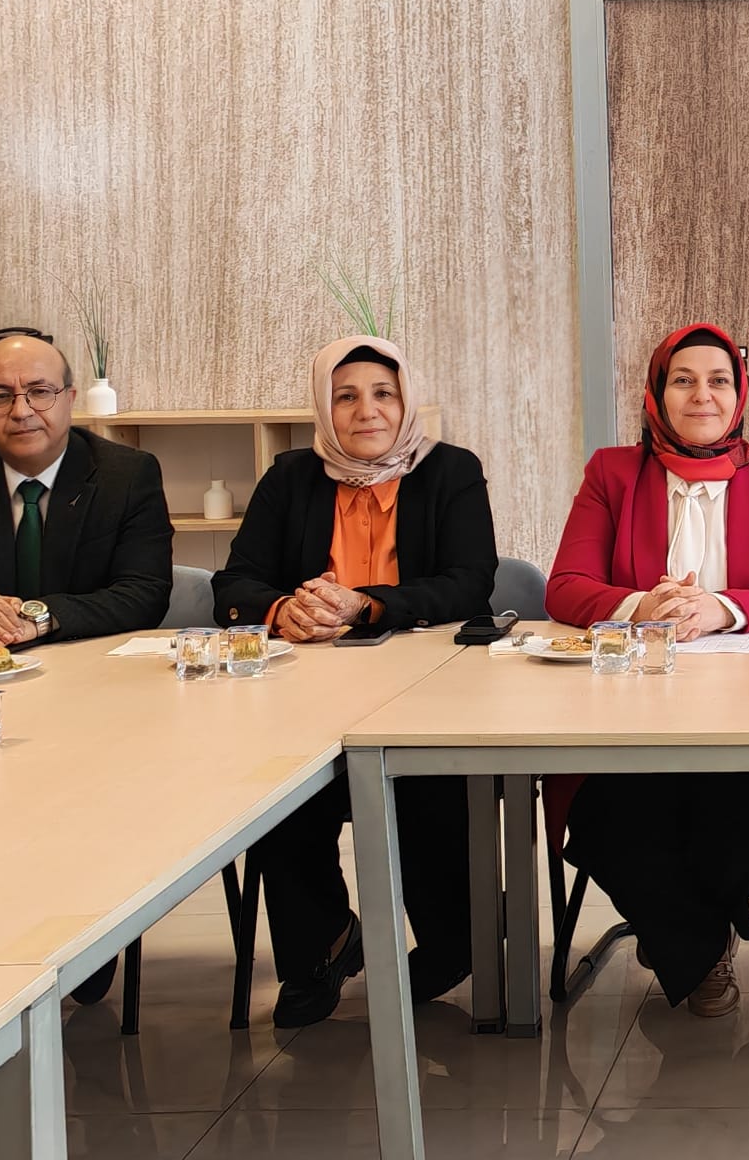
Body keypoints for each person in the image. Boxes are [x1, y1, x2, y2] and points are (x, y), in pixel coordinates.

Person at [547, 322, 749, 1017]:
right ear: (657, 393)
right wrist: (641, 605)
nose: (702, 395)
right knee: (608, 820)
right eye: (683, 380)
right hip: (629, 711)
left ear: (739, 395)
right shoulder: (612, 474)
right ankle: (701, 945)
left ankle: (677, 928)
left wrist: (721, 609)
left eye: (718, 381)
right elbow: (565, 587)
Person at [213, 336, 497, 1028]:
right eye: (345, 397)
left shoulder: (451, 471)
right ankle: (324, 945)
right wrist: (283, 609)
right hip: (308, 693)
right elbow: (236, 582)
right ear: (323, 407)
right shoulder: (290, 478)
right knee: (280, 792)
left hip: (430, 687)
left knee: (429, 787)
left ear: (406, 401)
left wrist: (364, 604)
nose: (366, 410)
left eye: (383, 394)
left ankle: (454, 944)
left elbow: (469, 583)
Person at [0, 334, 172, 652]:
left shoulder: (127, 475)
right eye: (1, 396)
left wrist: (38, 620)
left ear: (70, 399)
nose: (21, 411)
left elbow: (144, 593)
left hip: (87, 661)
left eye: (40, 392)